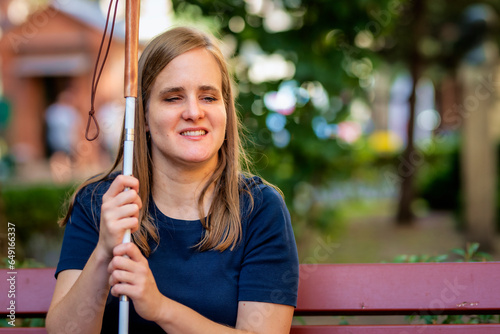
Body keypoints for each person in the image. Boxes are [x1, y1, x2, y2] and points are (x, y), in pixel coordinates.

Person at [46, 26, 299, 334]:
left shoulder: (259, 209)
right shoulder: (102, 202)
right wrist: (103, 252)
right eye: (173, 98)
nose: (194, 112)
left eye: (208, 96)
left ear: (225, 109)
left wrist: (160, 308)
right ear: (144, 115)